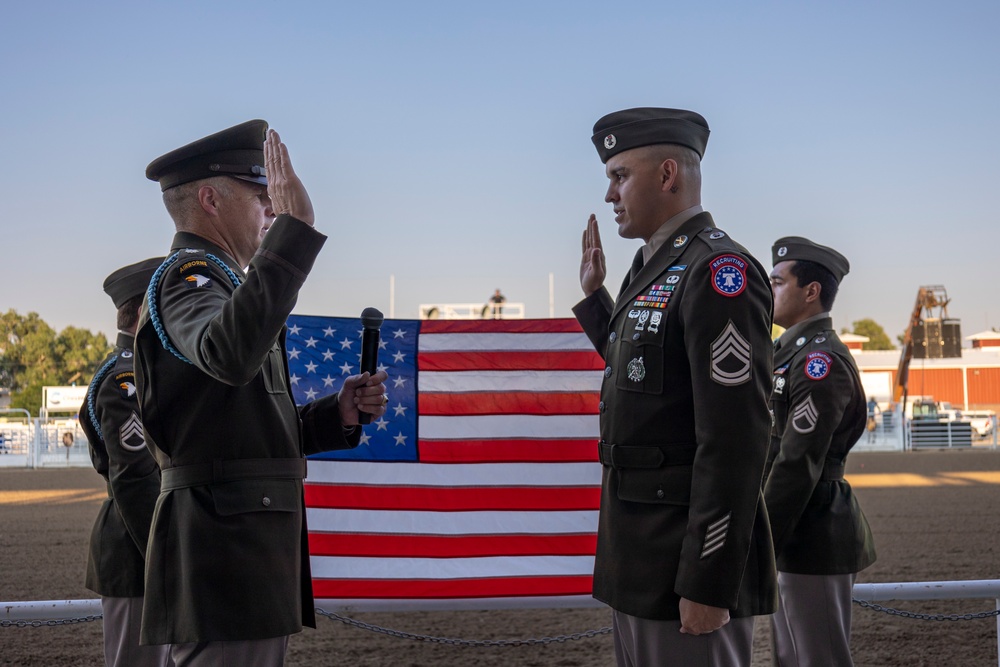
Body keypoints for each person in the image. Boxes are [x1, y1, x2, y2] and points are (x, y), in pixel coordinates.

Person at [134, 119, 389, 665]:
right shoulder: (191, 277)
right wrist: (293, 234)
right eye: (260, 197)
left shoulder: (230, 285)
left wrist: (332, 414)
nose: (271, 210)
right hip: (225, 559)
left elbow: (237, 423)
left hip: (242, 557)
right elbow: (227, 353)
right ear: (209, 199)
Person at [573, 107, 777, 666]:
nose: (609, 194)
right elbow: (646, 374)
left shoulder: (718, 271)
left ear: (668, 175)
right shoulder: (654, 267)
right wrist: (597, 302)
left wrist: (708, 581)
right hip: (637, 553)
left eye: (619, 175)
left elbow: (736, 438)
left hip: (682, 559)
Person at [766, 236, 877, 666]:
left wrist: (762, 537)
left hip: (811, 530)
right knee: (791, 659)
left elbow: (798, 461)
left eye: (778, 282)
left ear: (811, 291)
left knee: (818, 659)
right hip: (794, 529)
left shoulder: (819, 361)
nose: (769, 290)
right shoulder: (786, 352)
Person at [80, 257, 173, 667]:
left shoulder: (137, 372)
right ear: (142, 312)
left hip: (141, 547)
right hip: (137, 552)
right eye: (164, 302)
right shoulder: (126, 381)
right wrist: (166, 557)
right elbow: (135, 479)